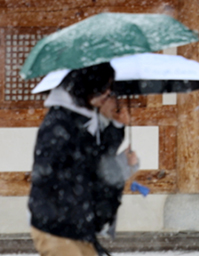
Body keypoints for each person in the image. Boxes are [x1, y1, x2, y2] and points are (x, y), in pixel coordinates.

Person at [28, 63, 139, 256]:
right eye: (105, 88)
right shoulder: (61, 122)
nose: (108, 94)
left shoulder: (81, 119)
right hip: (58, 227)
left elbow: (96, 159)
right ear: (89, 86)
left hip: (79, 226)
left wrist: (116, 126)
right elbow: (54, 173)